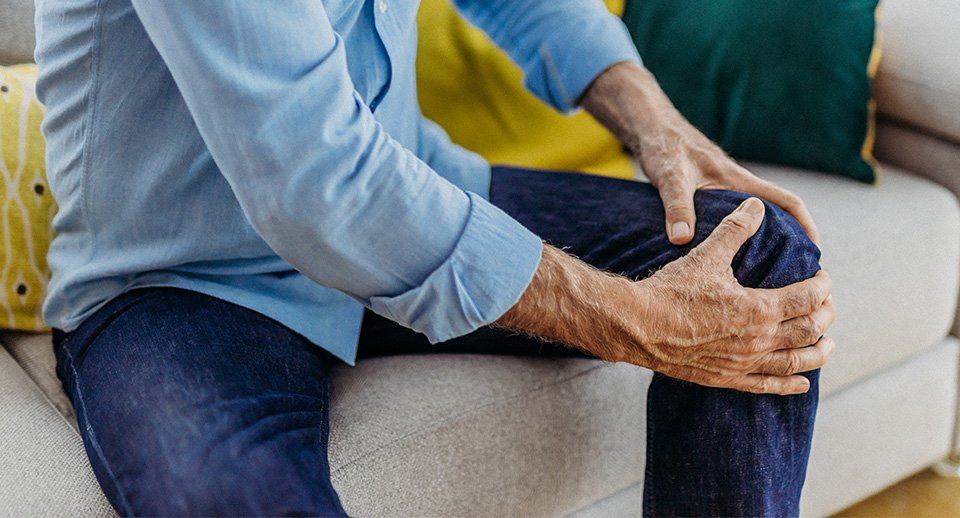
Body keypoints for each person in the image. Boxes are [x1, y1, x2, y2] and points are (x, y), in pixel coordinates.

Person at [35, 0, 835, 516]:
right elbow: (319, 188)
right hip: (189, 282)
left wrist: (653, 121)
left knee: (756, 252)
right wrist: (640, 321)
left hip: (412, 182)